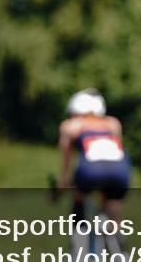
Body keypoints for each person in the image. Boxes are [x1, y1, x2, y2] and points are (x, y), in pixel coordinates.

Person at [56, 88, 131, 225]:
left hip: (88, 172)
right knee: (113, 205)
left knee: (79, 198)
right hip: (120, 172)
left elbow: (66, 169)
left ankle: (79, 237)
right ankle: (118, 240)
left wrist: (60, 187)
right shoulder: (113, 124)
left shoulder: (70, 126)